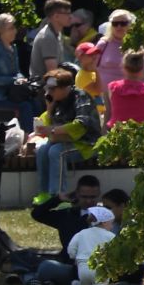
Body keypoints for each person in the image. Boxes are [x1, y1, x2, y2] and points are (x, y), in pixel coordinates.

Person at [33, 69, 100, 200]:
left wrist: (53, 130)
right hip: (64, 142)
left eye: (52, 89)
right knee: (42, 150)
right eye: (47, 89)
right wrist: (49, 108)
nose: (49, 93)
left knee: (56, 152)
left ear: (65, 87)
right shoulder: (57, 101)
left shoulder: (81, 97)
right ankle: (44, 193)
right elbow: (47, 122)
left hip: (86, 144)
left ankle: (57, 196)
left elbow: (81, 124)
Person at [66, 204, 117, 285]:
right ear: (104, 223)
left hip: (83, 269)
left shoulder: (82, 233)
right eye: (111, 223)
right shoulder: (110, 236)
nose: (112, 226)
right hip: (100, 269)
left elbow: (71, 249)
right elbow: (116, 252)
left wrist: (75, 257)